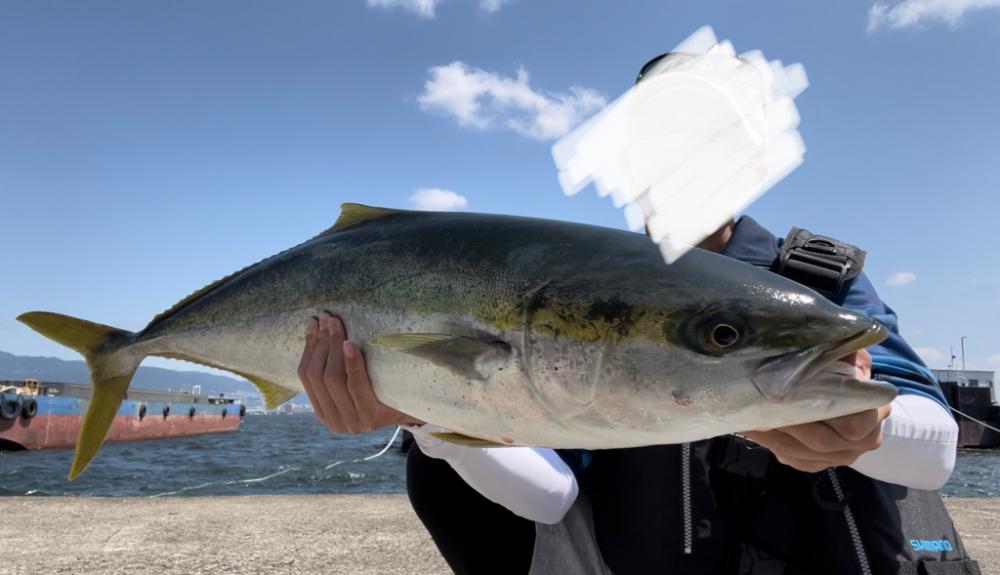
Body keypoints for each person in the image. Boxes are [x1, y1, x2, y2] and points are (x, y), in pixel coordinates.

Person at [297, 55, 975, 575]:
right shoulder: (579, 293)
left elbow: (936, 450)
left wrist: (869, 427)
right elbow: (551, 497)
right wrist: (432, 421)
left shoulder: (809, 285)